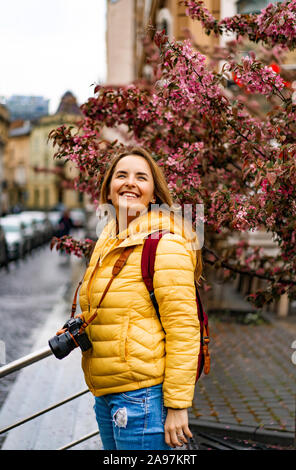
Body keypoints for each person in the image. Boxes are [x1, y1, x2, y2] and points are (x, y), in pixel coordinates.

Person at [78, 147, 202, 450]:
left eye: (141, 177)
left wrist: (177, 406)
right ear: (108, 188)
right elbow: (116, 307)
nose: (130, 182)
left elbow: (184, 329)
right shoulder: (108, 239)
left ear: (153, 193)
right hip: (107, 395)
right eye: (121, 175)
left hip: (143, 399)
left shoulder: (164, 244)